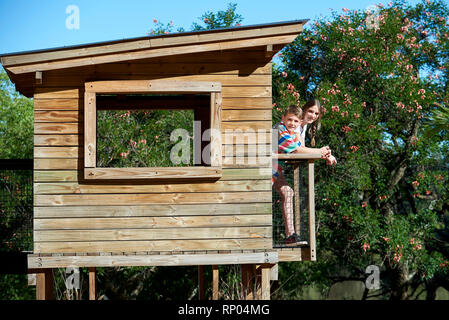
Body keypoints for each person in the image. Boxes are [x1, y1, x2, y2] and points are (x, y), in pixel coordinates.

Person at [273, 101, 336, 245]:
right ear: (283, 118)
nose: (313, 115)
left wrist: (324, 154)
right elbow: (295, 149)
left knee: (288, 192)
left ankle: (290, 236)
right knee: (285, 193)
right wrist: (321, 152)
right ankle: (289, 235)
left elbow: (301, 149)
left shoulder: (295, 129)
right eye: (310, 111)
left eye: (316, 113)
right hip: (264, 167)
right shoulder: (280, 129)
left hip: (275, 168)